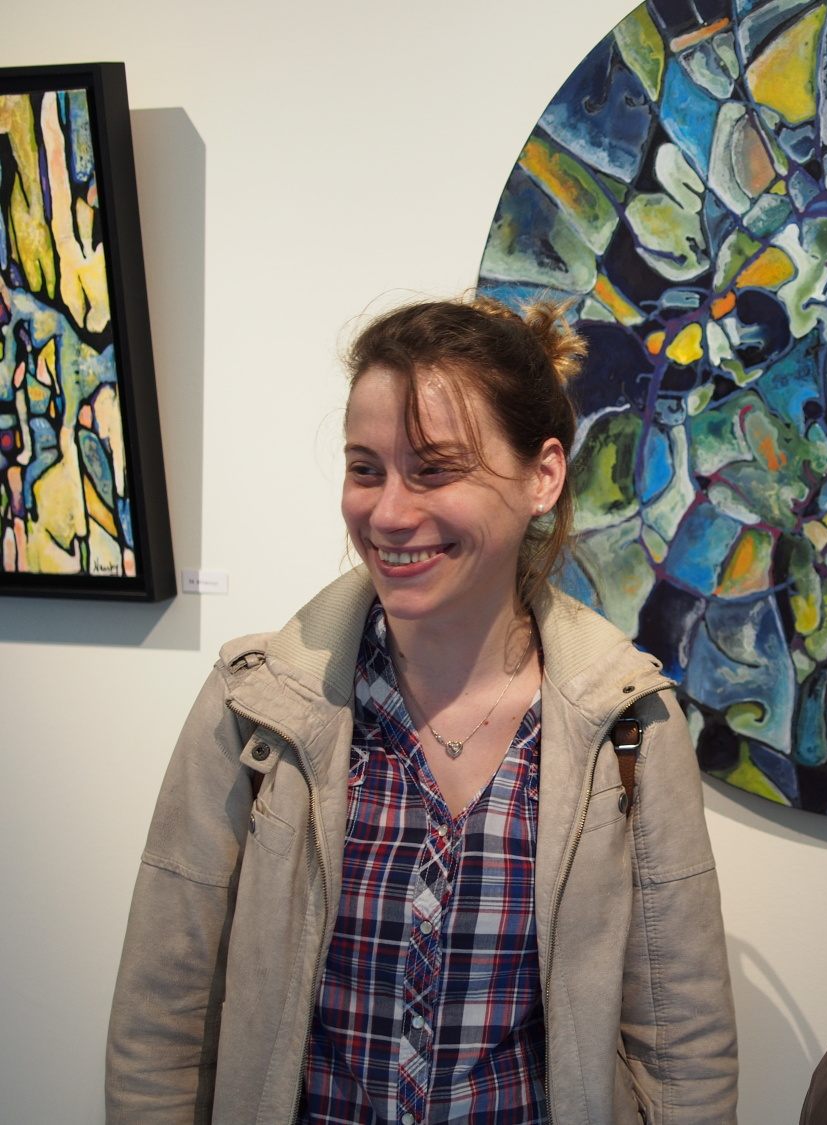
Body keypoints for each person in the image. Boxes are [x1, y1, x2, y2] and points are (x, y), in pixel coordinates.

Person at [106, 296, 738, 1123]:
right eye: (366, 469)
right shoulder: (256, 708)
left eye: (435, 470)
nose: (389, 513)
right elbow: (161, 1021)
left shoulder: (628, 727)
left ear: (543, 476)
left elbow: (682, 1045)